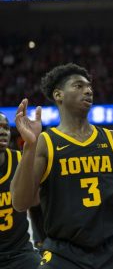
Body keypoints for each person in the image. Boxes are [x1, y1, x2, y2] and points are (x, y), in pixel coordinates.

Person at [11, 63, 113, 269]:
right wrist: (29, 146)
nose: (88, 90)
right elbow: (20, 203)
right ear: (59, 95)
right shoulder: (45, 143)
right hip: (65, 253)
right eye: (78, 86)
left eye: (89, 86)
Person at [0, 112, 40, 268]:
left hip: (20, 253)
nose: (3, 131)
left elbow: (36, 203)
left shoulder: (20, 160)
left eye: (6, 128)